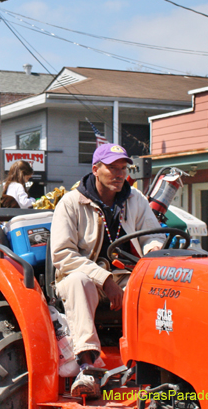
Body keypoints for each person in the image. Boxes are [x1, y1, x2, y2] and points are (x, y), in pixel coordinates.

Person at [51, 143, 163, 397]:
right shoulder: (70, 203)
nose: (119, 174)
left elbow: (153, 236)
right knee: (80, 281)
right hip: (78, 278)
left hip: (126, 276)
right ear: (95, 169)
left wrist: (153, 249)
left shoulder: (135, 199)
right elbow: (62, 255)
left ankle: (157, 363)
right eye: (112, 168)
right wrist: (105, 279)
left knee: (162, 287)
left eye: (123, 168)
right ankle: (87, 366)